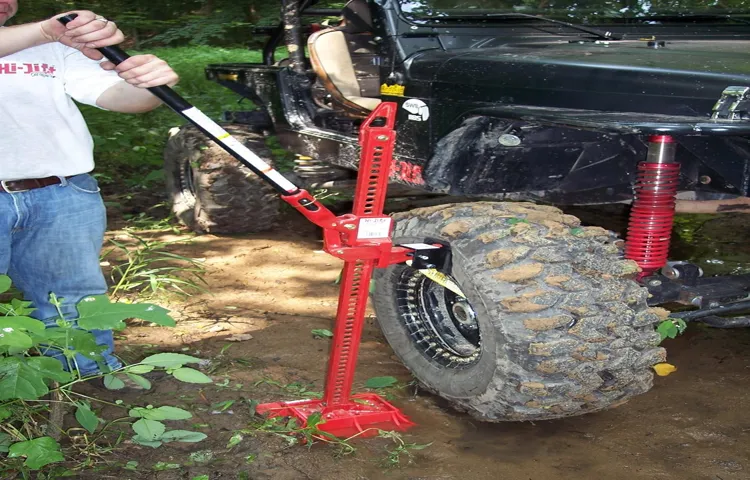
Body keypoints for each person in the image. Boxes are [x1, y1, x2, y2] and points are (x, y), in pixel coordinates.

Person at [0, 3, 179, 385]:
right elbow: (46, 31)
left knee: (73, 301)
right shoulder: (45, 34)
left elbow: (122, 99)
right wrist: (47, 29)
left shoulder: (52, 47)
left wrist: (147, 82)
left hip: (60, 193)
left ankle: (89, 382)